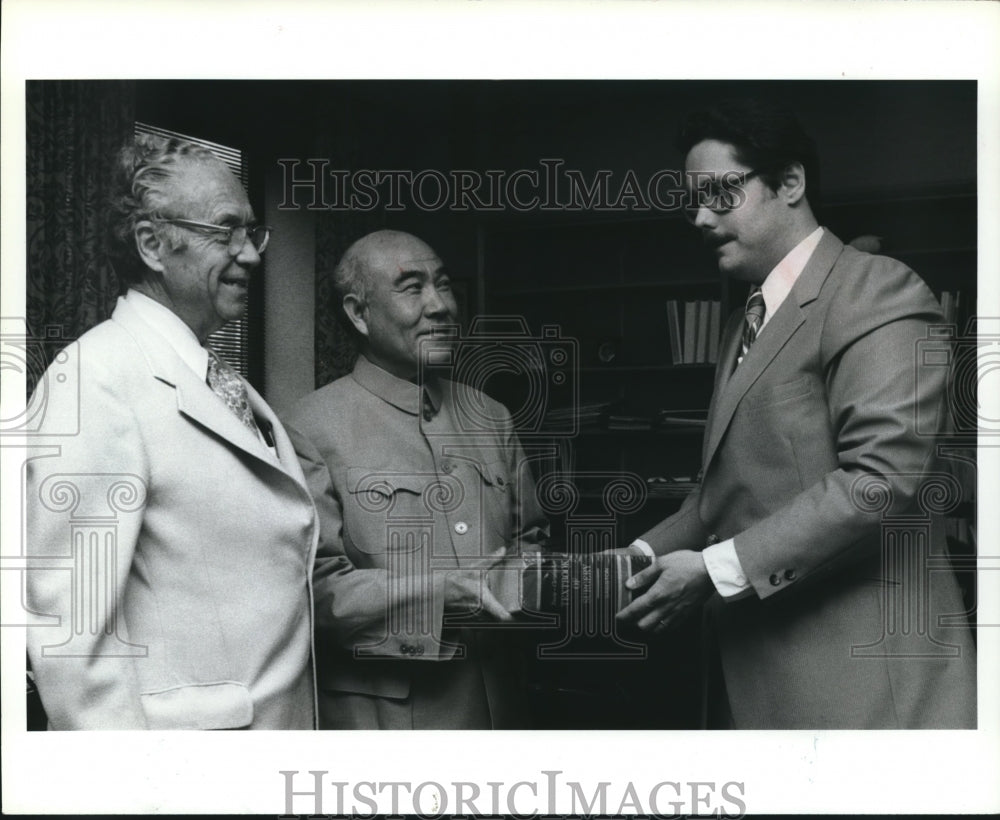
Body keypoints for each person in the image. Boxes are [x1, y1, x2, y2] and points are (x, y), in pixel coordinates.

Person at [617, 99, 976, 729]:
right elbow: (721, 492)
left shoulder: (876, 289)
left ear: (789, 182)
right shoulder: (741, 324)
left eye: (721, 194)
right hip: (763, 674)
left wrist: (711, 569)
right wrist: (638, 556)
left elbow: (880, 483)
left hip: (867, 688)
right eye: (692, 200)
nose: (700, 217)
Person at [25, 134, 318, 729]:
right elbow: (73, 641)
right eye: (225, 231)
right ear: (153, 245)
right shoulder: (95, 378)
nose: (252, 255)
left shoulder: (215, 376)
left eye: (252, 232)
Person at [282, 229, 548, 729]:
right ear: (359, 313)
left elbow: (530, 537)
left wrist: (529, 575)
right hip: (386, 723)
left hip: (502, 709)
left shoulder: (492, 416)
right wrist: (444, 592)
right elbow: (312, 590)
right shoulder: (308, 427)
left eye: (443, 285)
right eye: (412, 288)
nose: (440, 305)